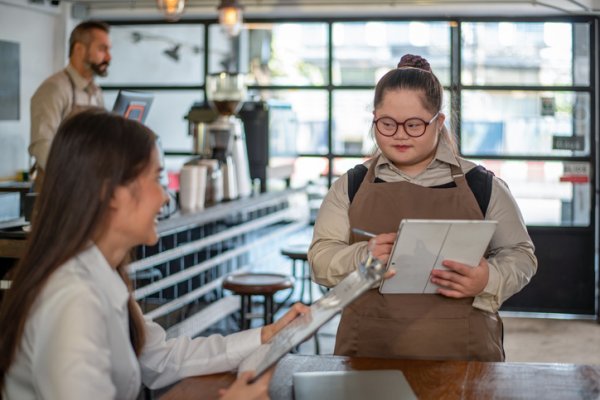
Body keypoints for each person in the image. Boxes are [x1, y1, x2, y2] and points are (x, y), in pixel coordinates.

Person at [0, 109, 308, 400]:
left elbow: (164, 358)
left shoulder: (99, 276)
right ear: (111, 193)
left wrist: (266, 335)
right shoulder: (73, 299)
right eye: (157, 179)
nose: (165, 196)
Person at [308, 54, 537, 362]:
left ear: (437, 122)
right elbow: (320, 261)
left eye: (414, 124)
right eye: (387, 124)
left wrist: (489, 280)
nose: (400, 134)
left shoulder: (482, 185)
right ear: (374, 119)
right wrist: (363, 256)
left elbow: (521, 256)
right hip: (368, 351)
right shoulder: (350, 186)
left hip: (465, 352)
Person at [29, 20, 111, 189]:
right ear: (79, 49)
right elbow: (42, 145)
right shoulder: (54, 88)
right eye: (102, 49)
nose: (109, 57)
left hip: (87, 188)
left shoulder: (96, 92)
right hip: (58, 192)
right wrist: (73, 179)